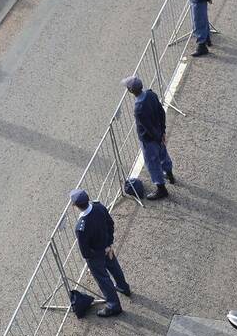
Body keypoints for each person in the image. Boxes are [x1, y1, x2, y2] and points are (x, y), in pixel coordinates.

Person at [71, 188, 130, 317]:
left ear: (75, 206)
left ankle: (113, 305)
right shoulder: (99, 207)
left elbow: (85, 251)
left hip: (95, 255)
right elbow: (110, 224)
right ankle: (123, 287)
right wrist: (109, 244)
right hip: (106, 246)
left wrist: (93, 256)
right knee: (114, 267)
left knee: (103, 279)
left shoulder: (81, 227)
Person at [123, 75, 173, 200]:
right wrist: (162, 132)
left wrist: (157, 137)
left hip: (149, 140)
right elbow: (161, 112)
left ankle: (161, 189)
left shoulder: (138, 108)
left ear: (130, 91)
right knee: (163, 154)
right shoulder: (151, 94)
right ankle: (170, 174)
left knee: (152, 163)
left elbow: (147, 128)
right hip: (159, 133)